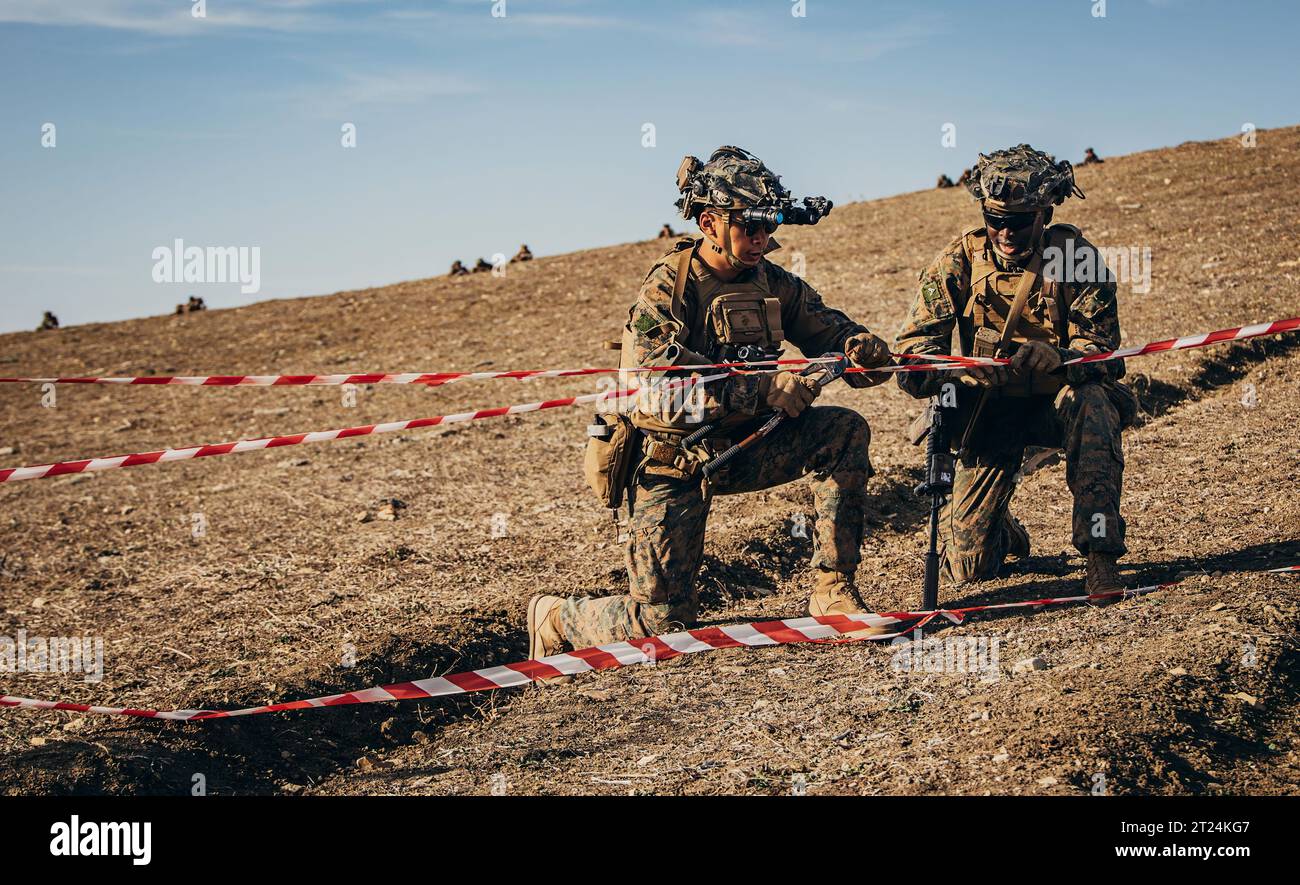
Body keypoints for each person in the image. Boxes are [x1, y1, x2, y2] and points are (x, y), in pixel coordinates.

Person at [528, 146, 895, 662]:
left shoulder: (772, 282)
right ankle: (557, 618)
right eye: (750, 229)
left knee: (843, 431)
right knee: (662, 625)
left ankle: (832, 593)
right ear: (710, 223)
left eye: (768, 229)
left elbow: (828, 329)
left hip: (748, 445)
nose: (762, 241)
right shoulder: (667, 287)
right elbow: (659, 389)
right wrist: (764, 391)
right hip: (671, 460)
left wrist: (861, 346)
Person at [894, 143, 1139, 596]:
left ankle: (1100, 555)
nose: (1006, 232)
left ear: (1045, 212)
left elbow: (1104, 352)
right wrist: (956, 370)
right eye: (996, 220)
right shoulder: (960, 259)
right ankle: (1000, 528)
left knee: (1094, 403)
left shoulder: (1076, 257)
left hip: (1058, 402)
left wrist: (1062, 358)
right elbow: (912, 352)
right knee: (968, 569)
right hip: (991, 411)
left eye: (1020, 221)